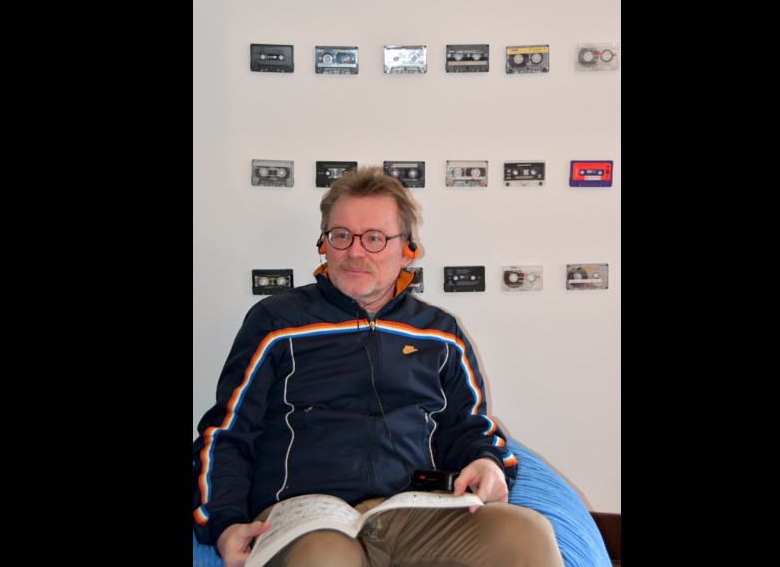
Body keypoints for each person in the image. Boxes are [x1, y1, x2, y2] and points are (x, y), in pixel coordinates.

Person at [193, 166, 561, 567]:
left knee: (525, 534)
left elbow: (469, 427)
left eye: (374, 238)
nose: (355, 252)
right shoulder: (276, 322)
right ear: (323, 244)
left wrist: (487, 463)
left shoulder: (440, 333)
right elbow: (226, 433)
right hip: (307, 514)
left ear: (408, 249)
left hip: (414, 509)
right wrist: (224, 524)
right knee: (326, 557)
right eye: (341, 236)